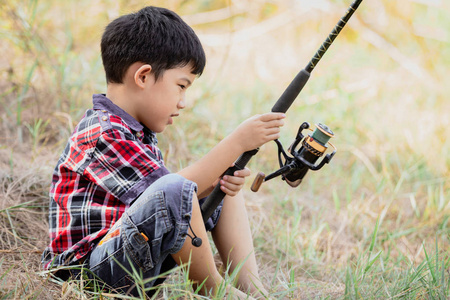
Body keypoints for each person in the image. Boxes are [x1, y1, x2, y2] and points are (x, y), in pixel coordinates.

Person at [42, 6, 285, 299]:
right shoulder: (103, 132)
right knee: (176, 187)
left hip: (124, 261)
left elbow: (172, 202)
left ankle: (255, 292)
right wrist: (236, 142)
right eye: (181, 86)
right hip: (87, 276)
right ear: (143, 76)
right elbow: (168, 195)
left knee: (222, 182)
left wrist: (218, 184)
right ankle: (216, 291)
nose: (183, 102)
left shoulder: (137, 131)